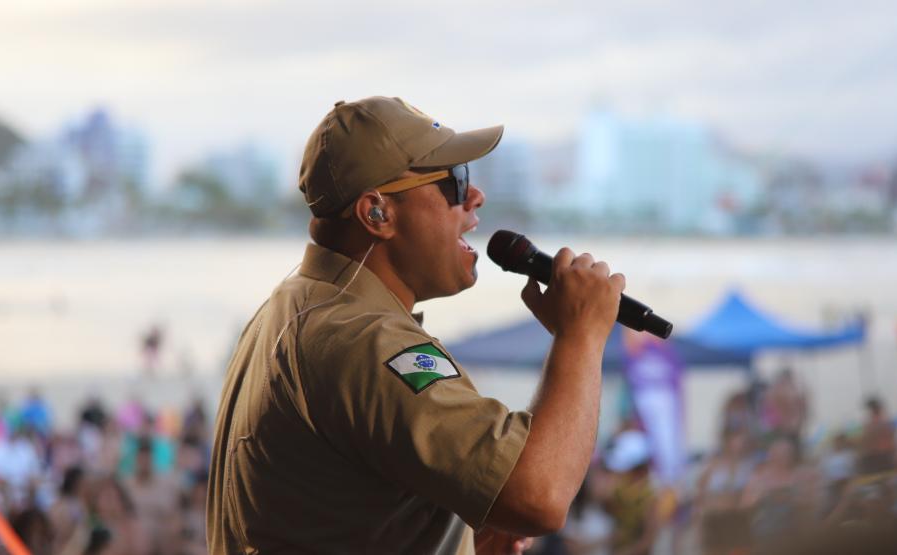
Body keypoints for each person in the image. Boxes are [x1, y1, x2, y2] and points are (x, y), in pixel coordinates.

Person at [206, 96, 627, 554]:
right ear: (377, 213)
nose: (475, 196)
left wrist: (458, 537)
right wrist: (581, 336)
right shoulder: (363, 339)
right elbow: (539, 497)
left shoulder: (292, 306)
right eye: (453, 181)